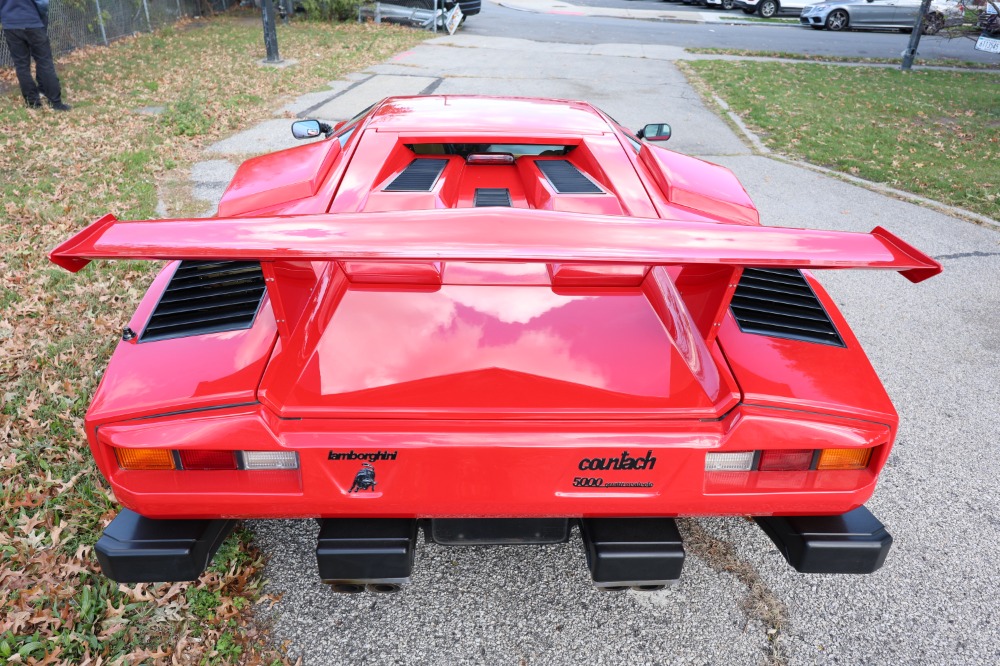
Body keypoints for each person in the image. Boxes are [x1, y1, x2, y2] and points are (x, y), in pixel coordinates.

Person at [0, 0, 70, 110]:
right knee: (44, 61)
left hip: (10, 24)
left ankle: (33, 102)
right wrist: (41, 16)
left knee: (21, 65)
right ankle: (55, 102)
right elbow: (42, 3)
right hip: (32, 21)